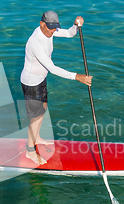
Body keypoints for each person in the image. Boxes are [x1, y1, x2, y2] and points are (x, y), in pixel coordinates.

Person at [21, 11, 92, 165]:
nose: (53, 30)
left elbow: (69, 33)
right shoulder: (36, 42)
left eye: (55, 27)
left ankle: (37, 137)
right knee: (36, 117)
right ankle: (30, 151)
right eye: (51, 27)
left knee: (43, 108)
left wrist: (75, 26)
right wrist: (77, 76)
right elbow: (52, 68)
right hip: (31, 83)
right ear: (42, 24)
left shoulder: (50, 30)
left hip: (41, 79)